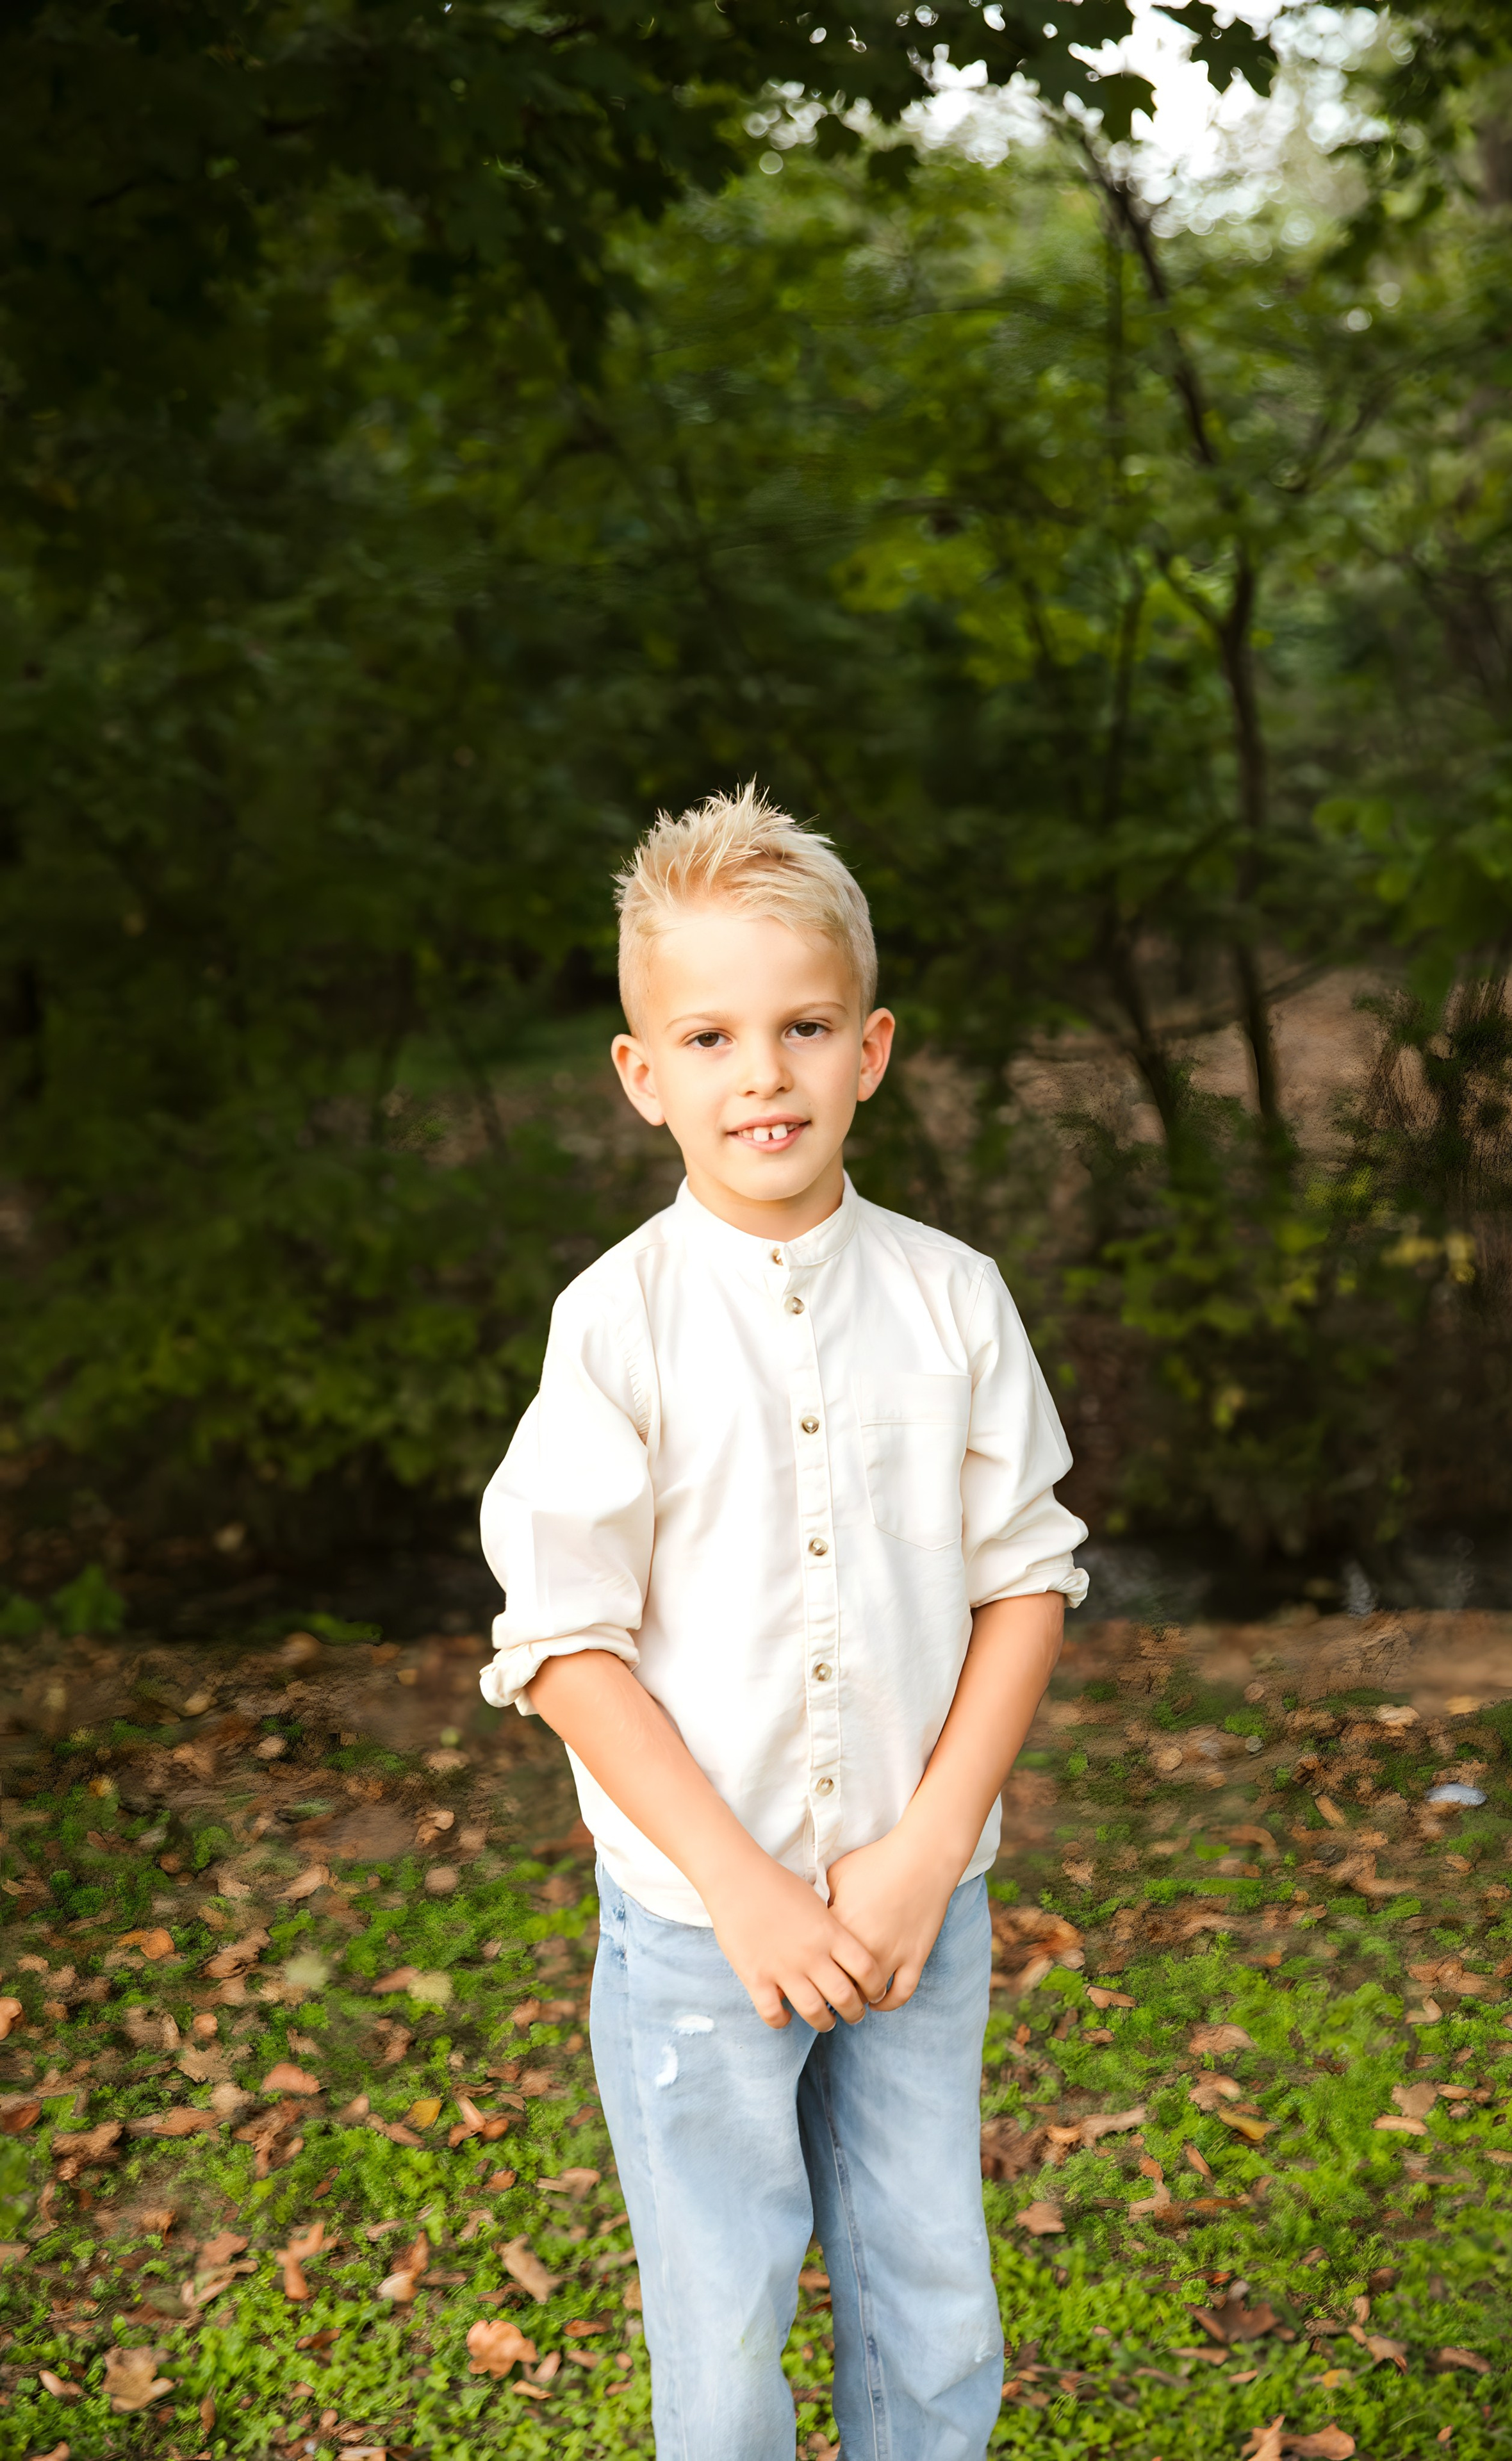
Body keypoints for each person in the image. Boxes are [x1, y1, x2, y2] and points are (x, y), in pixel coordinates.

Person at [479, 786, 1089, 2460]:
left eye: (804, 1025)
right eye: (713, 1033)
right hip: (699, 1924)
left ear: (871, 1048)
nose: (764, 1072)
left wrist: (923, 1845)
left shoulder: (956, 1299)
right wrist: (746, 1893)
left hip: (913, 1905)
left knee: (931, 2293)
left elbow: (1023, 1578)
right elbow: (563, 1641)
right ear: (643, 1072)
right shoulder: (617, 1326)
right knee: (727, 2324)